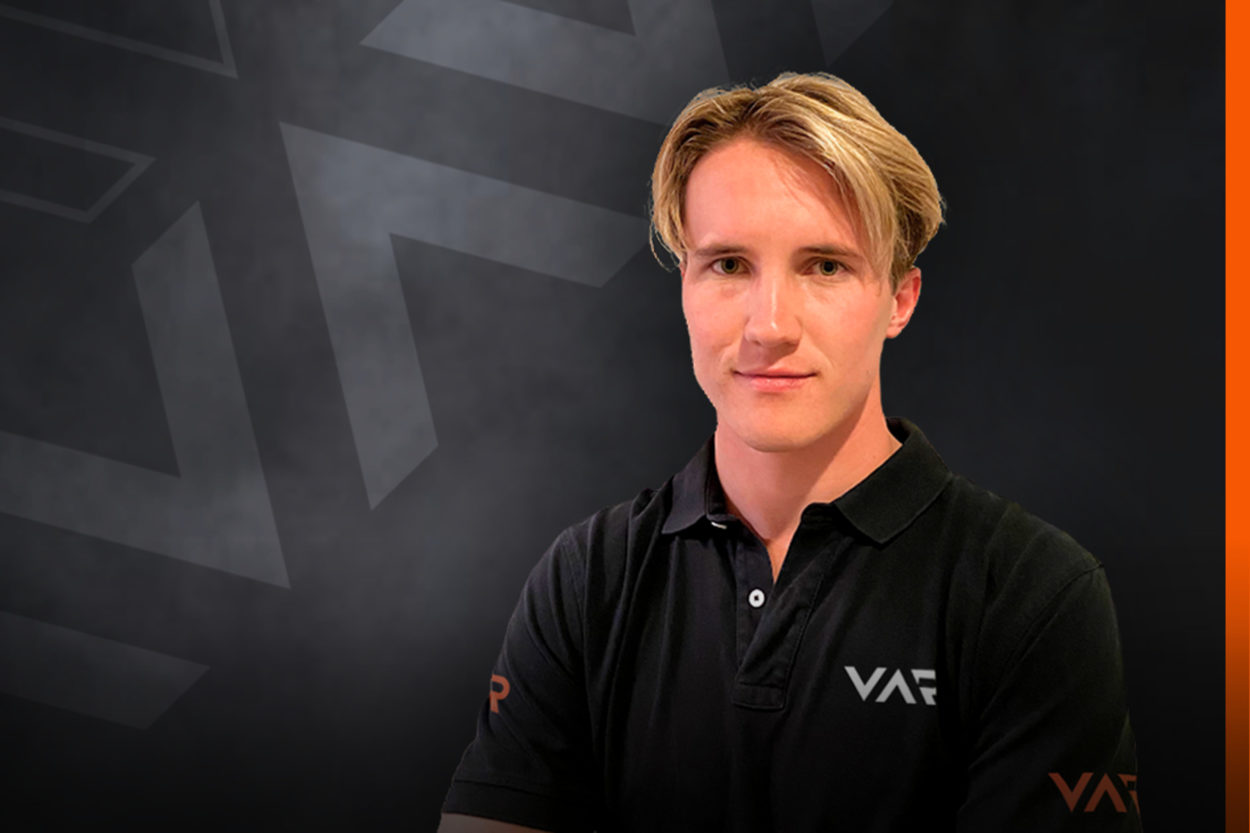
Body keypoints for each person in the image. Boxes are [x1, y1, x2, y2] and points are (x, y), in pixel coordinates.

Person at [438, 72, 1141, 832]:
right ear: (684, 287)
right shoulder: (587, 580)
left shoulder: (1031, 594)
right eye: (729, 265)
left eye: (825, 266)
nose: (770, 325)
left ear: (900, 299)